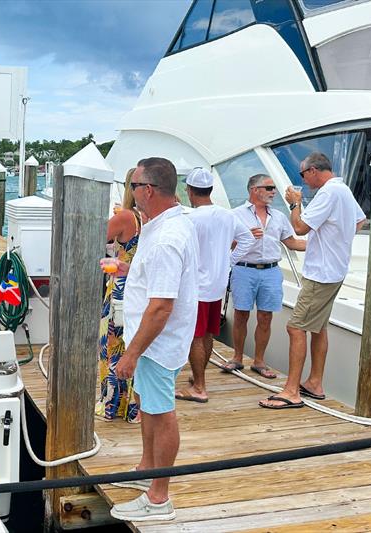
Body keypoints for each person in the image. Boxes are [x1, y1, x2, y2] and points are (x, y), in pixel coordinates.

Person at [107, 157, 199, 522]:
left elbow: (161, 307)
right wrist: (133, 269)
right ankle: (147, 470)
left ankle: (159, 497)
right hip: (159, 342)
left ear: (147, 190)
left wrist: (130, 355)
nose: (130, 194)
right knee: (149, 407)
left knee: (161, 415)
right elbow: (162, 281)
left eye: (132, 186)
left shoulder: (166, 237)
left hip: (157, 345)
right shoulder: (168, 223)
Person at [260, 152, 366, 409]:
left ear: (314, 170)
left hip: (321, 275)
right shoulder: (342, 189)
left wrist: (295, 203)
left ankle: (292, 391)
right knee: (318, 328)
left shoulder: (328, 193)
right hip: (335, 271)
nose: (303, 180)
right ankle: (315, 382)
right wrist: (332, 240)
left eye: (302, 174)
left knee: (295, 328)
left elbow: (299, 228)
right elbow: (359, 222)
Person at [175, 168, 255, 403]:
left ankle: (199, 387)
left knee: (195, 336)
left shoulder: (190, 219)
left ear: (189, 190)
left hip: (196, 286)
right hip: (217, 285)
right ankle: (198, 378)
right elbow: (248, 239)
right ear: (211, 189)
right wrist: (228, 262)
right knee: (208, 334)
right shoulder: (228, 215)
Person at [224, 174, 306, 378]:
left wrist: (324, 244)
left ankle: (259, 361)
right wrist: (244, 238)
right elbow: (224, 243)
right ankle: (237, 357)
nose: (273, 192)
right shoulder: (235, 215)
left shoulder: (278, 216)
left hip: (271, 270)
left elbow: (292, 243)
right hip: (244, 269)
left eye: (273, 188)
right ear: (254, 190)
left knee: (265, 317)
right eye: (269, 188)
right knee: (241, 314)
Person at [96, 168, 141, 423]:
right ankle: (134, 407)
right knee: (134, 346)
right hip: (141, 286)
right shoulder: (151, 218)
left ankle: (112, 404)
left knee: (112, 346)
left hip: (121, 285)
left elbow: (94, 237)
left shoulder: (126, 217)